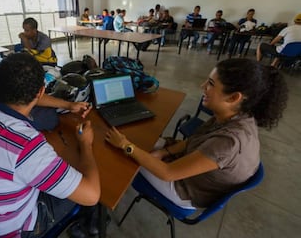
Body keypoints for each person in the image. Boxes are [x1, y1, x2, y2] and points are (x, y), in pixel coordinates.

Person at [105, 58, 288, 210]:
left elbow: (168, 173)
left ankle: (100, 203)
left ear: (233, 97)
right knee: (142, 142)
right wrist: (164, 152)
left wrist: (125, 146)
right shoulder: (235, 115)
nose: (203, 87)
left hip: (185, 190)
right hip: (191, 170)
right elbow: (194, 141)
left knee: (125, 156)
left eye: (210, 84)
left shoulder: (229, 143)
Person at [0, 52, 100, 238]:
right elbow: (91, 195)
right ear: (41, 91)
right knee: (91, 179)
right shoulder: (28, 148)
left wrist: (69, 105)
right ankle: (87, 227)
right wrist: (85, 144)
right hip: (14, 228)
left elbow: (32, 97)